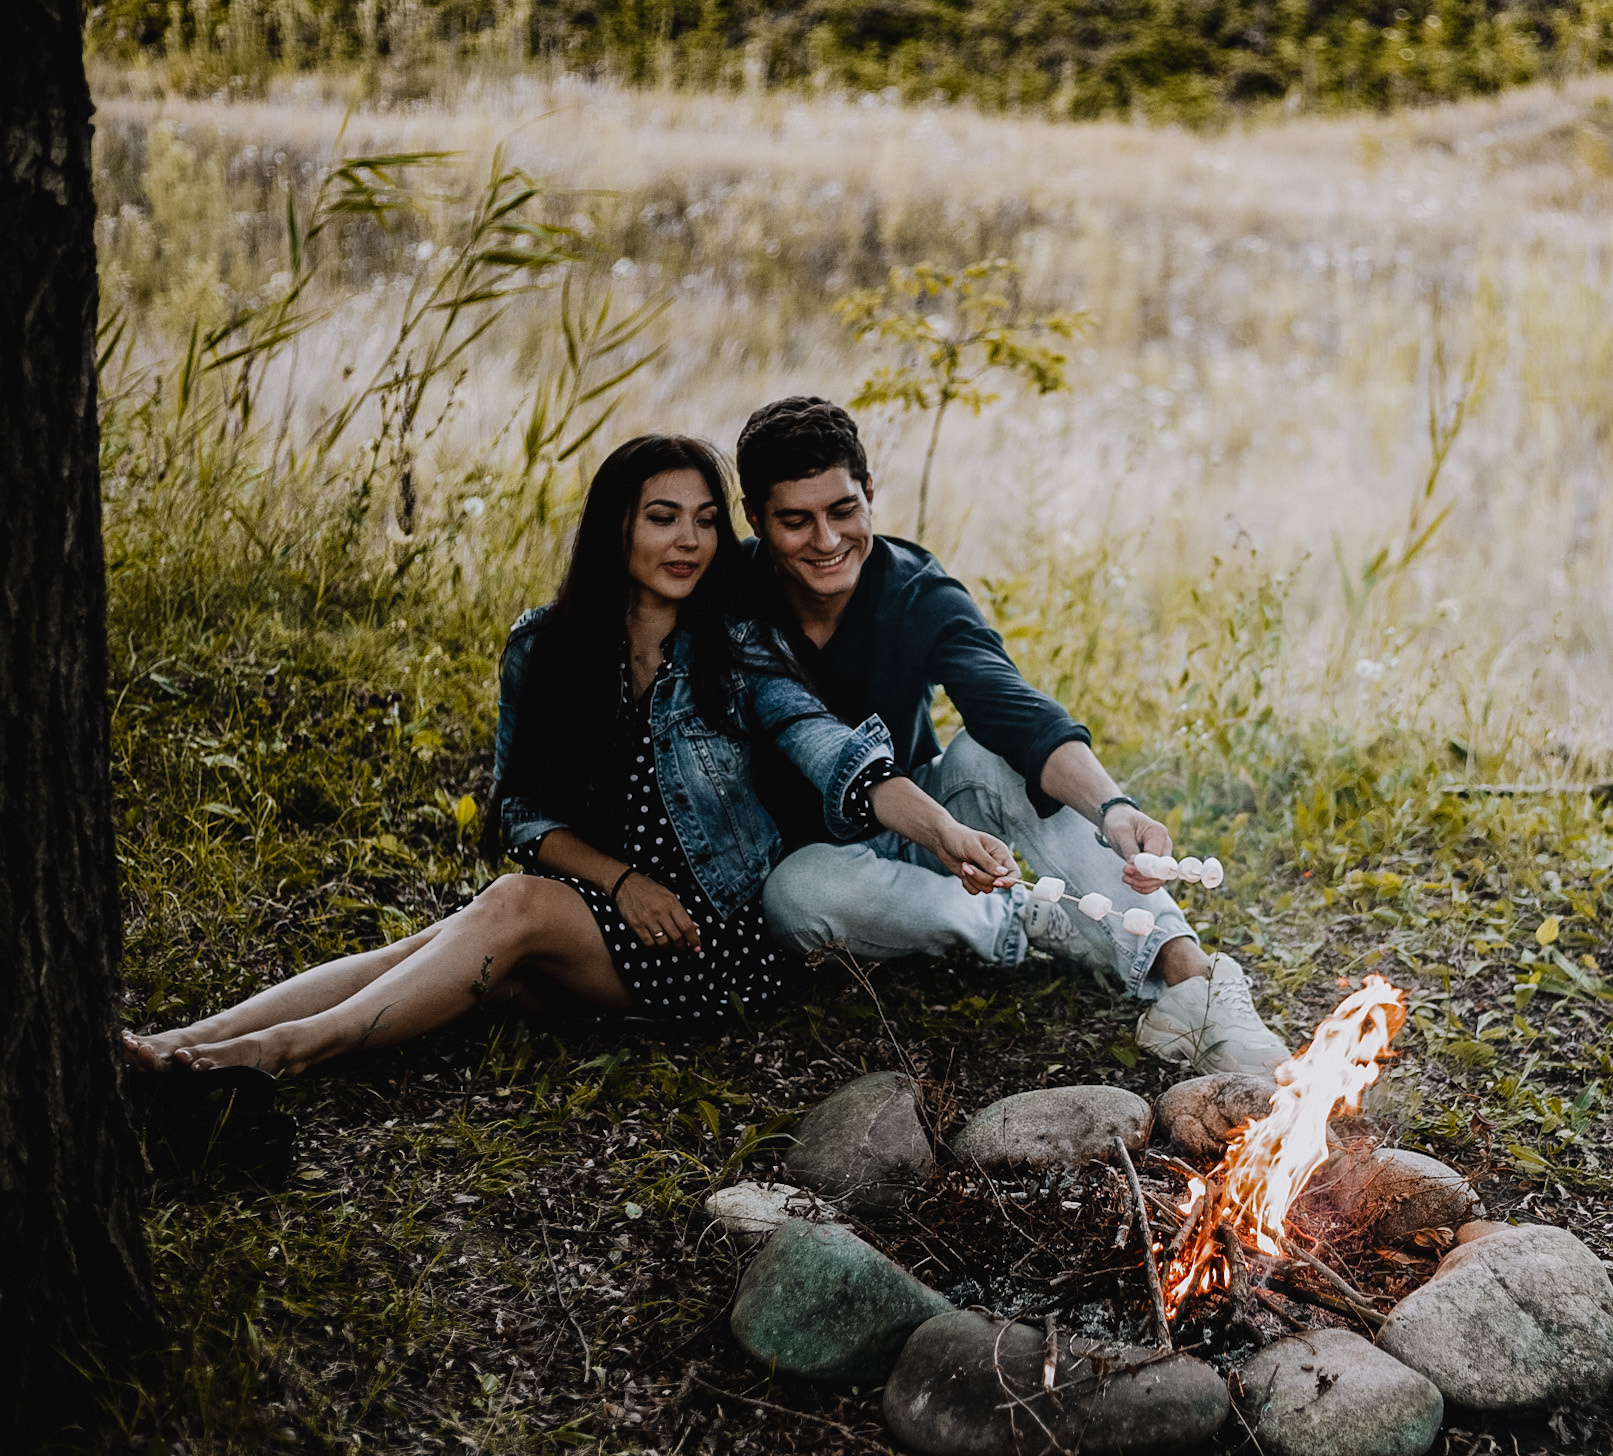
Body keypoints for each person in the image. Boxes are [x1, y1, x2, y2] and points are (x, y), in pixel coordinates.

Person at [122, 434, 1018, 1078]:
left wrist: (941, 829)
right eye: (662, 517)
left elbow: (829, 750)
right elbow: (522, 811)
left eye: (705, 521)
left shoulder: (735, 649)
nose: (688, 542)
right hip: (609, 909)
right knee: (441, 940)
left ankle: (283, 1053)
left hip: (717, 935)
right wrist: (622, 882)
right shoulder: (544, 649)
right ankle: (183, 1042)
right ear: (615, 527)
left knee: (508, 911)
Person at [733, 396, 1291, 1076]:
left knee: (984, 751)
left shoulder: (915, 591)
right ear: (755, 519)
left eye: (843, 510)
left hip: (929, 829)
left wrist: (1112, 807)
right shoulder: (726, 601)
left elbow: (1012, 709)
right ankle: (1015, 916)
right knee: (798, 891)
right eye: (795, 521)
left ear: (870, 492)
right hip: (811, 865)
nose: (825, 540)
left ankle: (1191, 983)